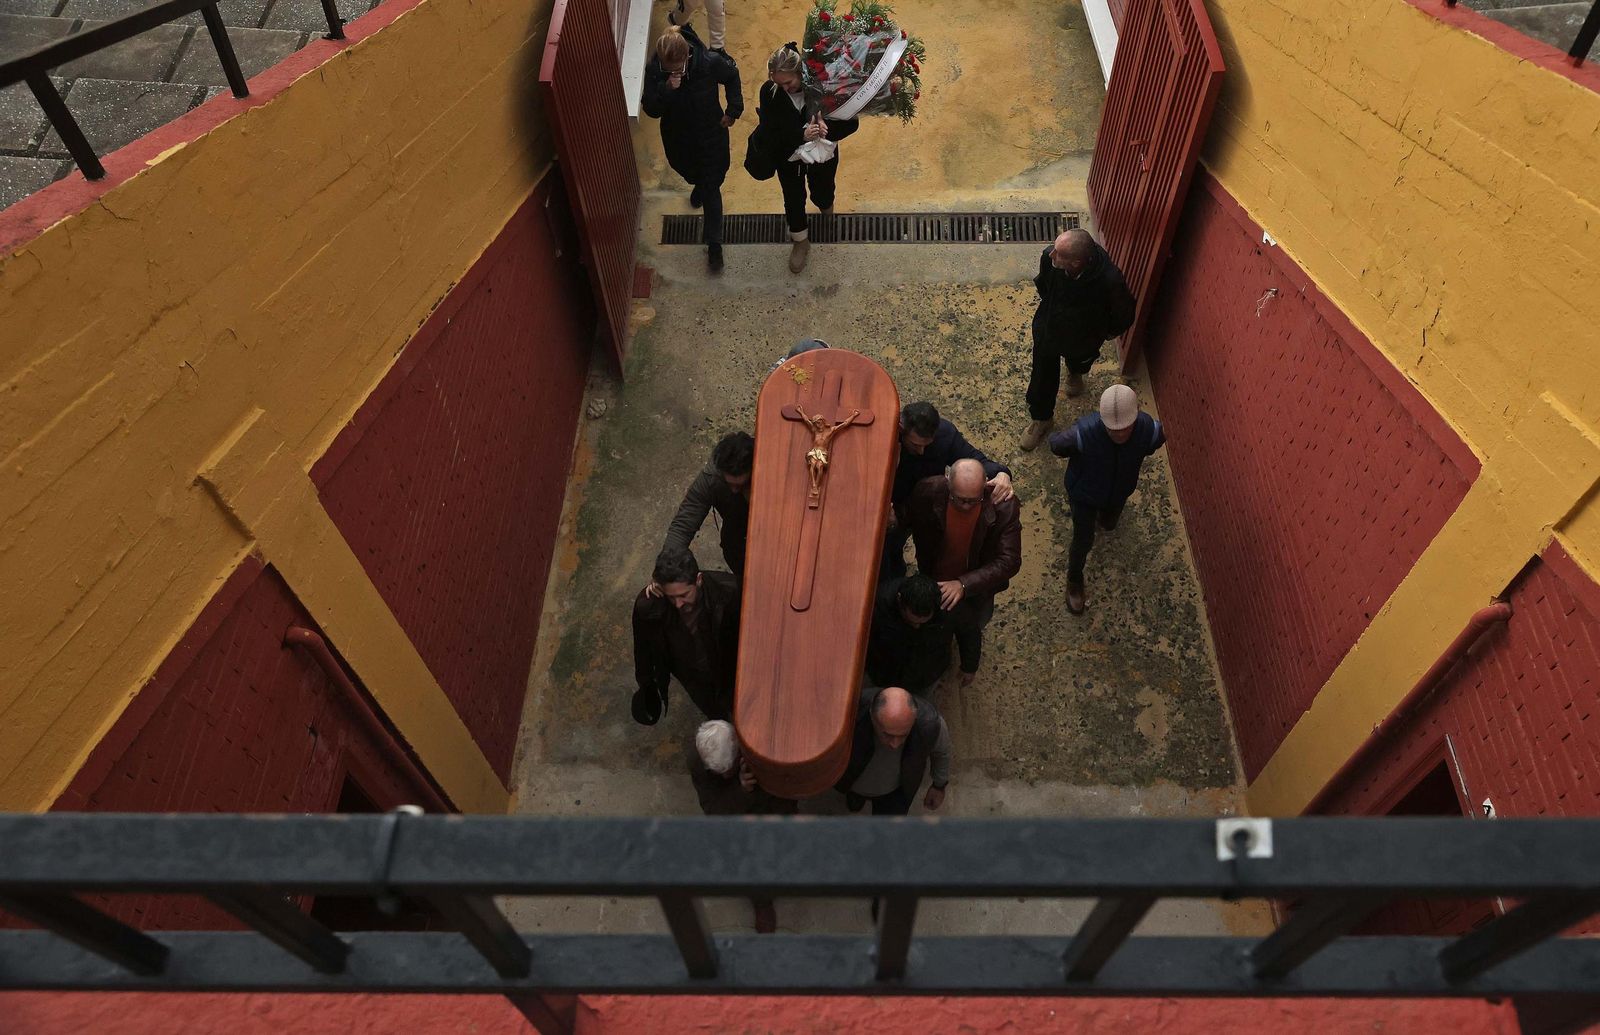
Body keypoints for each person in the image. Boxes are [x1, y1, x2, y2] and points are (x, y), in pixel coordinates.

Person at [902, 459, 1022, 685]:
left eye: (973, 500)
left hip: (977, 588)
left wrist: (964, 584)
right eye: (959, 499)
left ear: (986, 484)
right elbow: (909, 517)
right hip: (933, 576)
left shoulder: (1004, 506)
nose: (966, 506)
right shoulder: (928, 491)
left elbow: (1010, 561)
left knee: (974, 622)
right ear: (948, 482)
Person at [1049, 384, 1166, 615]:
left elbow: (1155, 442)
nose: (1119, 434)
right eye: (1112, 429)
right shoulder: (1083, 434)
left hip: (1120, 491)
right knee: (1083, 540)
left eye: (1125, 428)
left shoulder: (1150, 430)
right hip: (1085, 495)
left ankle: (1106, 518)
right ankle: (1074, 579)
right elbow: (1057, 444)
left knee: (1109, 524)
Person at [1020, 228, 1136, 451]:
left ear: (1076, 262)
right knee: (1042, 375)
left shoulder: (1109, 280)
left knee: (1081, 360)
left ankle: (1075, 374)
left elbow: (1124, 313)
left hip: (1085, 335)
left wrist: (1104, 333)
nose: (1051, 255)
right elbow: (1044, 285)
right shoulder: (1049, 258)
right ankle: (1041, 418)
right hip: (1050, 328)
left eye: (1059, 254)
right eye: (1054, 249)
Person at [642, 25, 743, 274]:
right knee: (691, 174)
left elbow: (731, 76)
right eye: (670, 69)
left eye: (678, 68)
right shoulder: (656, 70)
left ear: (686, 55)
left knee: (712, 186)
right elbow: (652, 109)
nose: (674, 72)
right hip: (679, 138)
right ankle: (698, 184)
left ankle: (714, 244)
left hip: (709, 133)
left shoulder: (708, 62)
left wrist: (733, 110)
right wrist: (667, 89)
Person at [755, 44, 858, 274]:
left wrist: (827, 129)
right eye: (779, 84)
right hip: (789, 160)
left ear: (800, 73)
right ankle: (800, 241)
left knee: (823, 189)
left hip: (823, 157)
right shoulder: (768, 93)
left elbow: (852, 123)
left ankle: (826, 212)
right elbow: (771, 131)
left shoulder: (825, 86)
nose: (785, 88)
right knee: (793, 199)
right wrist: (800, 135)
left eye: (789, 83)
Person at [883, 401, 1012, 580]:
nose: (921, 452)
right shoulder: (884, 440)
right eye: (915, 445)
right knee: (889, 549)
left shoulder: (945, 435)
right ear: (901, 429)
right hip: (895, 507)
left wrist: (1001, 473)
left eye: (926, 445)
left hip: (928, 506)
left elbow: (975, 460)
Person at [688, 720, 795, 932]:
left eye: (729, 769)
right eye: (721, 773)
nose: (726, 776)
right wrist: (740, 790)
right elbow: (713, 810)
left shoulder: (759, 741)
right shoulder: (700, 759)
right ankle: (762, 902)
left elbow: (785, 789)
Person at [631, 547, 741, 724]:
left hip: (728, 668)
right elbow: (643, 649)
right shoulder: (649, 607)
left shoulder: (728, 593)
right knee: (716, 714)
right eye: (671, 597)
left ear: (698, 580)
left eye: (683, 595)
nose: (678, 604)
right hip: (692, 675)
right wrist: (646, 686)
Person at [836, 686, 951, 816]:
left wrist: (939, 786)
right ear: (872, 717)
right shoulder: (850, 712)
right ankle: (856, 798)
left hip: (896, 794)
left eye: (903, 735)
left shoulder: (930, 724)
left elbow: (942, 753)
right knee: (854, 798)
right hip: (854, 781)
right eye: (888, 735)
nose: (895, 744)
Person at [662, 431, 753, 577]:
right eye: (730, 484)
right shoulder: (711, 479)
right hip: (737, 535)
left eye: (740, 485)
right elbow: (683, 525)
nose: (734, 491)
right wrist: (665, 570)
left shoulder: (772, 469)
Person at [865, 574, 954, 696]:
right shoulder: (876, 607)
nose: (917, 627)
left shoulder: (945, 602)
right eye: (911, 621)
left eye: (923, 622)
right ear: (899, 600)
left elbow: (967, 627)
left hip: (928, 673)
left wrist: (969, 666)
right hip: (887, 675)